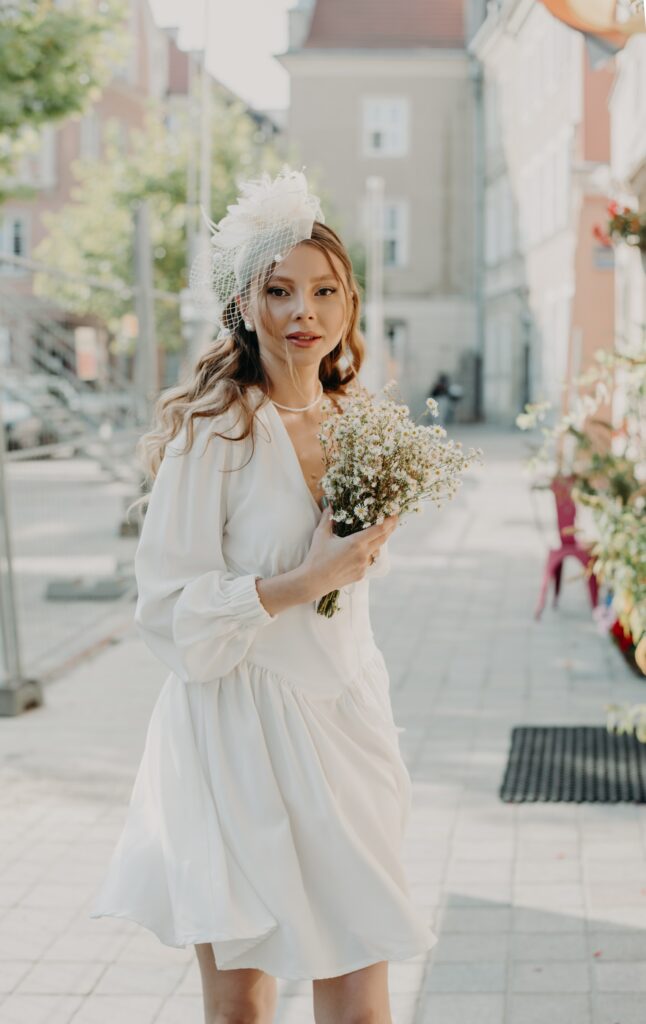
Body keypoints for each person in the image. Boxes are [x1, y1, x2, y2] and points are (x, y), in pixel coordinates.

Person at [89, 167, 437, 1024]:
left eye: (323, 290)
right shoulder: (217, 430)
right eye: (278, 291)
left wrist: (354, 562)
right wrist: (303, 580)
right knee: (243, 1007)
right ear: (244, 306)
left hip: (344, 714)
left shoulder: (363, 423)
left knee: (361, 1000)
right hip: (236, 730)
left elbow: (355, 584)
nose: (302, 312)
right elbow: (165, 607)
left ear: (349, 301)